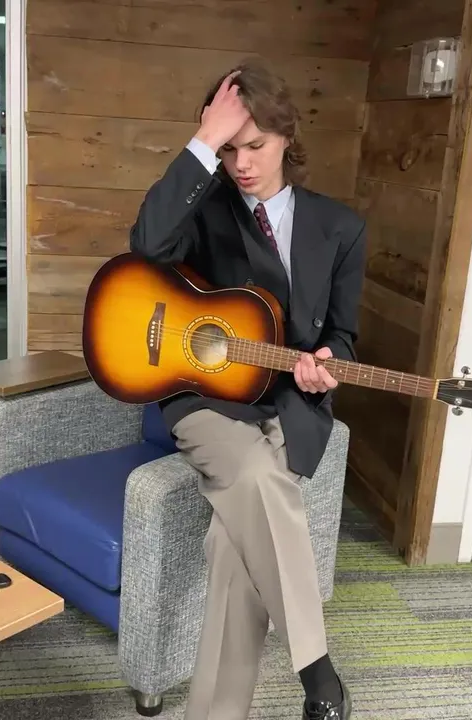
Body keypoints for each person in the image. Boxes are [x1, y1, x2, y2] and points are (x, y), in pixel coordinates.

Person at [128, 60, 366, 720]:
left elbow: (344, 335)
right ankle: (318, 673)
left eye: (254, 145)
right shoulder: (202, 207)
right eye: (228, 148)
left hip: (291, 404)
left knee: (234, 542)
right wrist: (203, 140)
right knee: (259, 479)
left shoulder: (341, 227)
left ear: (288, 135)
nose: (241, 164)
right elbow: (145, 248)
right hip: (206, 400)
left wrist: (330, 361)